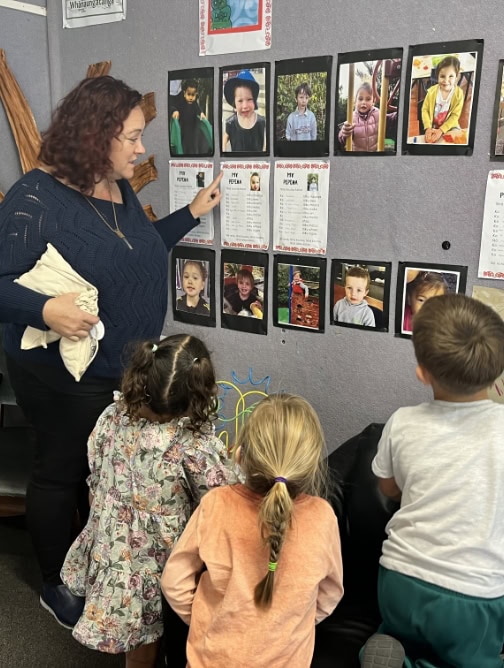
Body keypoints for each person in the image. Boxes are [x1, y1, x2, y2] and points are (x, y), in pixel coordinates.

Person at [0, 75, 222, 629]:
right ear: (96, 136)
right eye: (132, 136)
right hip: (62, 373)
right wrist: (47, 310)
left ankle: (93, 564)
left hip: (122, 370)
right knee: (62, 470)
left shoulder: (115, 186)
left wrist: (190, 214)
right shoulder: (34, 198)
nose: (141, 148)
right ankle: (54, 584)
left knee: (102, 472)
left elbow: (133, 251)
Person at [61, 334, 237, 667]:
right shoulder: (192, 443)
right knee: (150, 644)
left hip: (113, 546)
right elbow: (223, 501)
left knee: (140, 643)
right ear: (199, 394)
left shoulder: (113, 415)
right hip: (159, 561)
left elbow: (94, 475)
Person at [362, 294, 504, 667]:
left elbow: (388, 488)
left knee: (400, 637)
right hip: (473, 598)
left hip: (399, 580)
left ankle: (393, 655)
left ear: (422, 372)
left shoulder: (403, 422)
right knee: (474, 658)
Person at [161, 393, 344, 667]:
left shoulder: (216, 504)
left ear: (240, 454)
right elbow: (330, 593)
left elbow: (173, 581)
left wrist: (205, 620)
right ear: (311, 464)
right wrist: (293, 624)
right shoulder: (322, 517)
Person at [338, 82, 397, 152]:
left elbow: (389, 119)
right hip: (358, 156)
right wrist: (343, 133)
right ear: (355, 101)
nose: (363, 102)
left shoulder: (378, 113)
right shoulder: (352, 117)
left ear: (373, 101)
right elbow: (342, 139)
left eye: (368, 99)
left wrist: (397, 115)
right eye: (360, 99)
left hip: (374, 154)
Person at [222, 69, 266, 152]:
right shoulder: (230, 122)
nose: (245, 106)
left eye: (249, 99)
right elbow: (225, 137)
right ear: (234, 102)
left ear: (254, 100)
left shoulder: (261, 122)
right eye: (240, 101)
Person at [422, 56, 463, 144]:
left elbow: (455, 116)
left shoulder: (459, 94)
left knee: (456, 141)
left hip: (450, 126)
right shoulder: (431, 92)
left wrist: (442, 130)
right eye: (442, 76)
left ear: (457, 76)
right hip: (433, 126)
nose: (446, 80)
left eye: (451, 76)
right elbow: (424, 110)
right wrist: (428, 127)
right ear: (437, 76)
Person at [170, 79, 209, 155]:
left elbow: (198, 109)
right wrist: (174, 111)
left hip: (193, 131)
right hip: (183, 130)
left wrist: (201, 113)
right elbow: (173, 107)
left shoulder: (194, 104)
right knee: (184, 146)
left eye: (193, 95)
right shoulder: (181, 103)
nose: (191, 97)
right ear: (184, 93)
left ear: (196, 94)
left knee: (193, 146)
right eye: (189, 94)